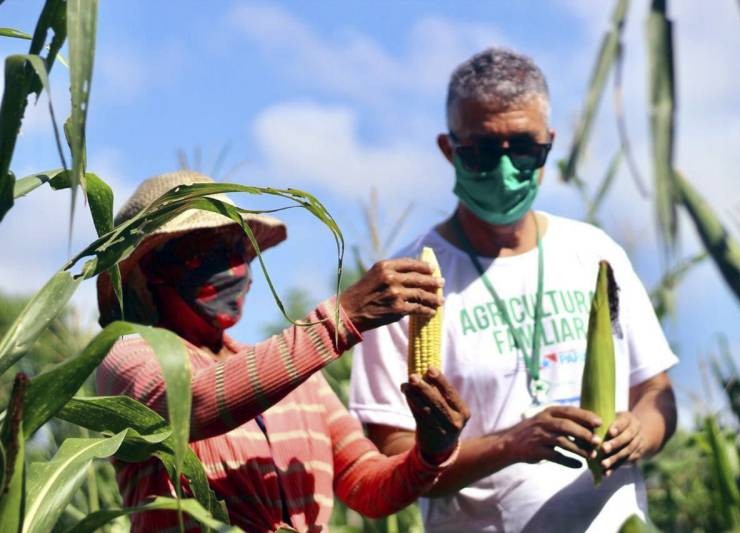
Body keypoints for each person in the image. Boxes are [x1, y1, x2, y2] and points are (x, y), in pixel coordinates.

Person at [348, 47, 678, 532]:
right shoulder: (405, 285)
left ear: (549, 143)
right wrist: (511, 444)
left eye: (524, 148)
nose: (504, 170)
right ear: (449, 150)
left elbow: (655, 392)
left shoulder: (595, 253)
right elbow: (394, 456)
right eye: (482, 151)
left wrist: (640, 433)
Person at [96, 170, 471, 532]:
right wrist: (339, 320)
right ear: (153, 269)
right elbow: (191, 403)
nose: (233, 267)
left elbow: (365, 486)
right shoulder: (128, 358)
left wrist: (431, 452)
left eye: (239, 248)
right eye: (203, 251)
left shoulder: (302, 383)